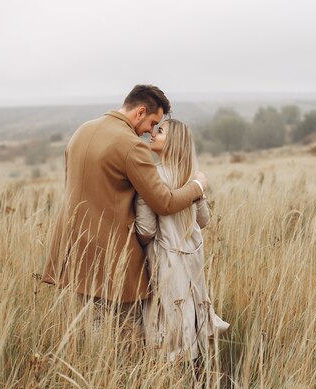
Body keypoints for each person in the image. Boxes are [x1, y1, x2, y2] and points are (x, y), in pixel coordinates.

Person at [42, 85, 207, 329]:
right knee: (127, 335)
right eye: (153, 123)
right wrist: (197, 186)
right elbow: (164, 202)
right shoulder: (131, 145)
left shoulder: (82, 131)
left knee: (93, 326)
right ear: (140, 112)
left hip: (75, 251)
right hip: (113, 257)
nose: (150, 131)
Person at [135, 119, 229, 362]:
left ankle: (171, 379)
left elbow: (145, 229)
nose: (153, 134)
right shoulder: (192, 178)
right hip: (193, 256)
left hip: (166, 258)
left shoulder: (152, 177)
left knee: (167, 319)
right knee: (193, 311)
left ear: (174, 142)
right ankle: (200, 374)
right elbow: (204, 220)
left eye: (160, 131)